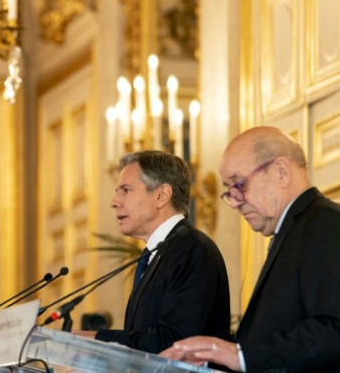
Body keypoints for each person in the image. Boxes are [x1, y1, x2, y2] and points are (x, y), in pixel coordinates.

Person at [161, 126, 340, 371]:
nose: (235, 202)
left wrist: (241, 355)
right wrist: (212, 354)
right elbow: (278, 332)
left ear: (281, 172)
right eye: (229, 191)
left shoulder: (325, 223)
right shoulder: (295, 230)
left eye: (239, 185)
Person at [78, 150, 230, 354]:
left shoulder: (191, 249)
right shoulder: (156, 255)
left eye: (125, 190)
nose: (114, 201)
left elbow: (175, 343)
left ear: (161, 195)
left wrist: (96, 338)